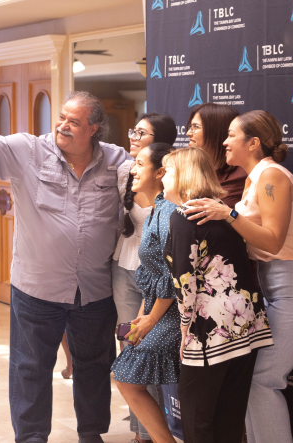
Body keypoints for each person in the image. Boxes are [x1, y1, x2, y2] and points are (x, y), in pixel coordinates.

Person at [0, 91, 132, 443]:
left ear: (94, 128)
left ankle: (91, 432)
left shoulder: (117, 160)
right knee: (30, 367)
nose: (63, 126)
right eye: (62, 117)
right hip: (37, 288)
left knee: (94, 365)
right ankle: (30, 437)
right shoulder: (29, 150)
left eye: (74, 121)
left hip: (95, 288)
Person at [182, 110, 293, 443]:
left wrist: (228, 213)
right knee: (254, 380)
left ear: (253, 142)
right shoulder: (255, 177)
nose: (224, 141)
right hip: (268, 286)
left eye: (231, 135)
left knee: (263, 378)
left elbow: (273, 240)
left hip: (291, 287)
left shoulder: (271, 176)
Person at [161, 146, 274, 443]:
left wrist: (185, 327)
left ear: (184, 177)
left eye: (168, 171)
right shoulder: (219, 209)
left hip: (211, 332)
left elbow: (186, 280)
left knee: (198, 419)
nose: (162, 177)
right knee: (229, 419)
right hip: (245, 328)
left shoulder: (186, 216)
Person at [112, 113, 176, 443]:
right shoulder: (134, 180)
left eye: (142, 132)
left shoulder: (169, 208)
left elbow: (171, 274)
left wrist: (150, 318)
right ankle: (143, 435)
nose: (133, 168)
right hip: (132, 278)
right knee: (129, 358)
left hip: (169, 303)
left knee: (133, 365)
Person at [186, 103, 246, 208]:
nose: (188, 133)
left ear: (217, 130)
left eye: (195, 127)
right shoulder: (192, 169)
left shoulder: (241, 175)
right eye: (190, 127)